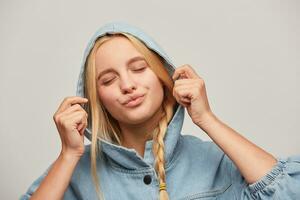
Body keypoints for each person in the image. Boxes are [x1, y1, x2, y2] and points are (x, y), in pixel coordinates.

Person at [20, 22, 300, 200]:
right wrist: (69, 154)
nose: (127, 85)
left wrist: (207, 119)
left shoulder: (216, 161)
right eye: (108, 80)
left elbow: (290, 192)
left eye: (139, 68)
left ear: (163, 78)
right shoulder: (73, 176)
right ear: (96, 101)